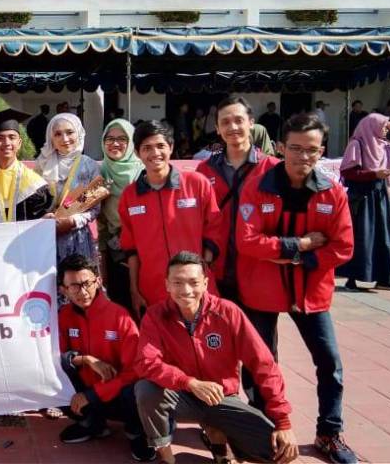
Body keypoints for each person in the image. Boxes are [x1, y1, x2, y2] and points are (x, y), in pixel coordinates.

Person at [235, 113, 357, 464]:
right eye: (295, 148)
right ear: (280, 147)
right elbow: (247, 241)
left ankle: (329, 433)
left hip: (310, 293)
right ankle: (263, 429)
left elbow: (343, 247)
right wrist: (300, 245)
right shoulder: (257, 186)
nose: (303, 156)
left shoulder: (332, 192)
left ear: (322, 151)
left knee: (330, 363)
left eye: (311, 150)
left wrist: (292, 257)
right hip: (261, 289)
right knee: (260, 362)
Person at [135, 251, 297, 464]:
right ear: (167, 284)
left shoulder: (228, 312)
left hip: (221, 397)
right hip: (181, 395)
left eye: (193, 282)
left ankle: (219, 439)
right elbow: (145, 362)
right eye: (177, 282)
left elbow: (263, 363)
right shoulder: (155, 315)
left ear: (205, 283)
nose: (186, 290)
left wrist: (282, 421)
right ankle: (167, 458)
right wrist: (189, 382)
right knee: (145, 389)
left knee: (279, 451)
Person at [56, 254, 155, 461]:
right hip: (85, 392)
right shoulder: (63, 315)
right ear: (63, 290)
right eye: (74, 286)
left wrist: (92, 395)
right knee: (57, 372)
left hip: (116, 394)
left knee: (138, 388)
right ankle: (92, 424)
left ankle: (137, 433)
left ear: (98, 281)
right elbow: (58, 358)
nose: (83, 292)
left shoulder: (120, 316)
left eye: (87, 283)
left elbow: (135, 371)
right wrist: (87, 360)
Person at [117, 120, 221, 318]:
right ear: (137, 153)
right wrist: (134, 289)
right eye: (147, 148)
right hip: (152, 292)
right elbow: (131, 249)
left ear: (171, 147)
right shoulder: (129, 196)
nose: (155, 153)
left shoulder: (197, 184)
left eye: (160, 146)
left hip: (196, 289)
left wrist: (203, 269)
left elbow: (214, 230)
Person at [196, 96, 280, 301]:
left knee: (258, 324)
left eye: (238, 120)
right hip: (217, 272)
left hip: (260, 273)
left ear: (251, 123)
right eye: (225, 122)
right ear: (217, 129)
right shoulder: (204, 171)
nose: (232, 127)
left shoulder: (273, 169)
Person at [337, 114, 390, 291]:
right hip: (362, 196)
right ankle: (352, 280)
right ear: (371, 126)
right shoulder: (357, 144)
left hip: (379, 194)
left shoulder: (383, 146)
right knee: (362, 236)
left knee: (383, 236)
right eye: (383, 126)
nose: (385, 130)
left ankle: (383, 278)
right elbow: (348, 172)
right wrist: (374, 174)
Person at [35, 113, 101, 261]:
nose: (65, 139)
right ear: (51, 138)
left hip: (77, 238)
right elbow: (34, 203)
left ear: (79, 133)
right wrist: (44, 218)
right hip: (46, 235)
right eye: (58, 134)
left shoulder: (89, 165)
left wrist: (73, 221)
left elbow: (95, 208)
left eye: (70, 132)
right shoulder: (42, 165)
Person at [97, 119, 144, 308]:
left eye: (122, 139)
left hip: (145, 250)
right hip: (117, 251)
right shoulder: (99, 173)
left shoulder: (143, 172)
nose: (115, 143)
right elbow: (99, 219)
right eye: (109, 139)